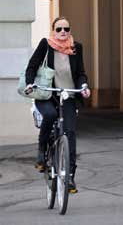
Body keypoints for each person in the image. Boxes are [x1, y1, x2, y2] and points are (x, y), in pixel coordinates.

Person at [24, 17, 90, 193]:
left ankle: (70, 177)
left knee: (70, 132)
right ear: (53, 30)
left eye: (66, 29)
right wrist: (30, 83)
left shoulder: (77, 48)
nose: (63, 32)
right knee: (51, 115)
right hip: (47, 94)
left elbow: (81, 73)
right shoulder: (46, 45)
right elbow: (31, 67)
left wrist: (83, 86)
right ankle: (41, 151)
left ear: (70, 31)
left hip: (67, 95)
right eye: (59, 29)